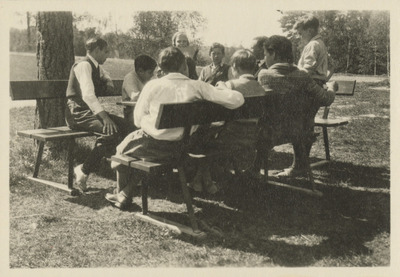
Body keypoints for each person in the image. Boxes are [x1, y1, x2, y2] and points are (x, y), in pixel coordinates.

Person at [105, 46, 244, 209]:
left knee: (122, 150)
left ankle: (122, 193)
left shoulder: (152, 85)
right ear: (184, 65)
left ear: (161, 67)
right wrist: (225, 88)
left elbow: (137, 119)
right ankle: (124, 193)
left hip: (152, 145)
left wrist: (150, 124)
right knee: (133, 148)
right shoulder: (197, 86)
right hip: (182, 146)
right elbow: (237, 100)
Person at [256, 35, 338, 177]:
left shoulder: (263, 75)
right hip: (298, 133)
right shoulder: (303, 77)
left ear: (273, 54)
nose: (264, 59)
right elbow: (325, 99)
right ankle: (298, 166)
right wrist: (332, 88)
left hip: (267, 134)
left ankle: (255, 168)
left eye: (265, 55)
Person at [65, 37, 132, 193]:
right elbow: (88, 95)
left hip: (89, 111)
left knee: (129, 128)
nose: (107, 55)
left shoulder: (94, 65)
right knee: (112, 131)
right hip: (77, 112)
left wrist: (107, 80)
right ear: (96, 51)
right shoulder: (83, 65)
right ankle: (83, 170)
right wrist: (105, 118)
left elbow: (104, 73)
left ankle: (128, 173)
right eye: (106, 51)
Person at [294, 15, 330, 87]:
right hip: (320, 84)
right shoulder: (321, 43)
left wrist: (294, 71)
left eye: (300, 34)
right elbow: (332, 67)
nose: (300, 37)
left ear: (309, 31)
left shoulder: (312, 45)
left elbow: (308, 70)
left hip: (310, 85)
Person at [121, 54, 157, 124]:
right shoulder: (130, 78)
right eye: (150, 72)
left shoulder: (146, 78)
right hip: (132, 111)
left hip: (144, 110)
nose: (152, 75)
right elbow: (135, 96)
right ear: (140, 71)